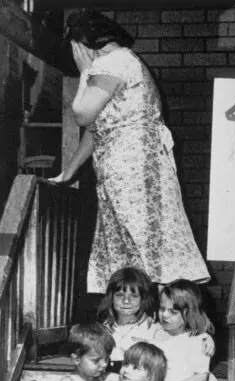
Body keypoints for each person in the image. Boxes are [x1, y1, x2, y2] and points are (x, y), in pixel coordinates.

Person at [48, 9, 209, 293]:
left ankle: (155, 309)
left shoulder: (112, 63)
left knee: (141, 245)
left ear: (81, 45)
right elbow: (98, 130)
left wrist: (85, 72)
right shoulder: (124, 61)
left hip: (131, 171)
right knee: (140, 244)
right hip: (131, 170)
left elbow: (83, 115)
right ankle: (143, 308)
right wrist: (68, 172)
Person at [98, 266, 214, 373]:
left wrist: (206, 338)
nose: (126, 301)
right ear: (111, 297)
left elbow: (184, 340)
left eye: (134, 296)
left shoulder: (155, 329)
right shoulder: (101, 330)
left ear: (143, 299)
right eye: (119, 295)